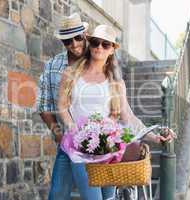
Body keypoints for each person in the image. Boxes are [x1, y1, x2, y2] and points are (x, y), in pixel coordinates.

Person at [58, 24, 175, 199]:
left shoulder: (116, 83)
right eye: (96, 42)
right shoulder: (71, 73)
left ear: (112, 49)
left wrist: (153, 136)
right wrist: (74, 130)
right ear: (90, 44)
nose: (99, 47)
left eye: (106, 44)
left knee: (109, 198)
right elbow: (62, 106)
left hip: (108, 149)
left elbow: (128, 118)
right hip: (80, 148)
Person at [37, 13, 114, 200]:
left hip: (98, 145)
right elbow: (44, 105)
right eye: (67, 41)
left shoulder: (98, 57)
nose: (74, 44)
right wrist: (59, 134)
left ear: (85, 34)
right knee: (57, 195)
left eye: (78, 38)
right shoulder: (54, 65)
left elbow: (116, 104)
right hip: (67, 142)